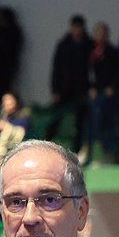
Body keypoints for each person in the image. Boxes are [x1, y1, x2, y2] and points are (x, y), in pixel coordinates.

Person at [46, 15, 92, 156]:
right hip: (63, 89)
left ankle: (76, 151)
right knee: (55, 118)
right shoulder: (63, 44)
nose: (76, 30)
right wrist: (55, 90)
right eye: (74, 27)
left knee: (80, 122)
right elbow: (56, 68)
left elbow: (91, 69)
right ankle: (46, 143)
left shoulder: (89, 44)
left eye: (79, 27)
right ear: (71, 27)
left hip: (81, 90)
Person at [86, 22, 119, 165]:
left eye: (103, 33)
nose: (100, 36)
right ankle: (95, 155)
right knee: (93, 123)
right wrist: (91, 87)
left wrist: (111, 87)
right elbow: (87, 73)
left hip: (108, 95)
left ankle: (109, 154)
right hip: (94, 94)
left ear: (107, 35)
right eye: (97, 33)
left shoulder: (112, 51)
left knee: (106, 124)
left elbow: (118, 72)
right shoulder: (90, 52)